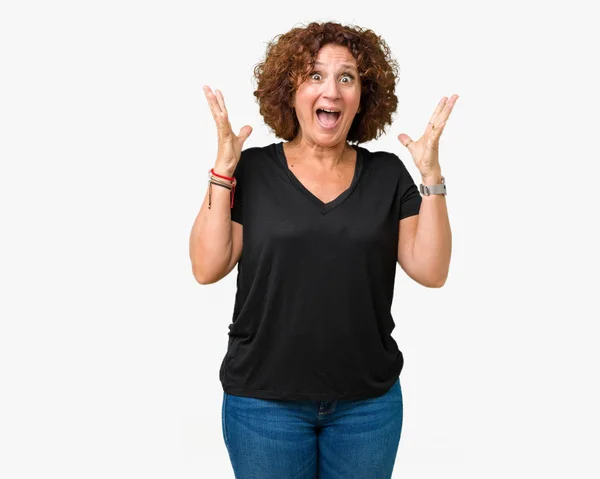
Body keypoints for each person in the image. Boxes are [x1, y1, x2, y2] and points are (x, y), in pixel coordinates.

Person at [189, 20, 457, 479]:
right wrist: (223, 170)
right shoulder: (252, 170)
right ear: (290, 91)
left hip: (367, 407)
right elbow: (207, 266)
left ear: (362, 96)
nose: (330, 90)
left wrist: (431, 176)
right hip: (263, 403)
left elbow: (430, 270)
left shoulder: (388, 175)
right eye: (314, 75)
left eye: (346, 77)